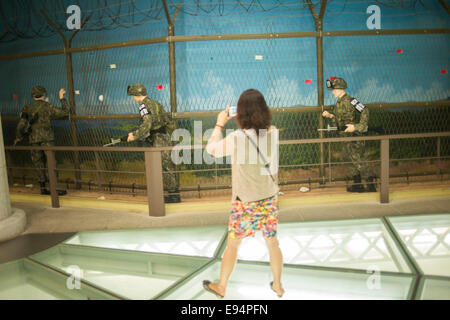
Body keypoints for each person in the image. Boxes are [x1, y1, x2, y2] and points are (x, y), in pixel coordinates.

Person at [202, 89, 284, 298]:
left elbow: (211, 149)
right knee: (272, 242)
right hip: (269, 198)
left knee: (233, 245)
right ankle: (278, 285)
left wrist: (220, 123)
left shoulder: (237, 137)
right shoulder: (272, 132)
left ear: (240, 113)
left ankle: (221, 285)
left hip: (245, 201)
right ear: (264, 110)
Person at [126, 83, 180, 203]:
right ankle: (174, 194)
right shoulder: (156, 103)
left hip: (157, 139)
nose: (132, 98)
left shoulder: (143, 106)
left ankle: (172, 196)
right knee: (167, 166)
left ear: (136, 95)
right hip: (165, 137)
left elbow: (147, 124)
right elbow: (167, 120)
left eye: (133, 95)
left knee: (161, 167)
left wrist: (134, 135)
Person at [322, 77, 376, 192]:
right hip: (345, 137)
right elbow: (339, 120)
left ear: (341, 89)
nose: (333, 92)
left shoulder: (352, 101)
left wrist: (357, 127)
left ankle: (371, 185)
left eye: (334, 89)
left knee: (358, 159)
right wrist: (330, 116)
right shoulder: (338, 103)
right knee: (348, 159)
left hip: (355, 137)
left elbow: (365, 111)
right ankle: (358, 184)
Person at [14, 85, 69, 196]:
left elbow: (21, 125)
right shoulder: (47, 106)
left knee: (38, 163)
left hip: (33, 140)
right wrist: (62, 97)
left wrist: (19, 136)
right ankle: (53, 189)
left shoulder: (27, 108)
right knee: (51, 163)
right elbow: (65, 112)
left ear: (33, 96)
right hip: (47, 139)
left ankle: (43, 189)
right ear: (44, 95)